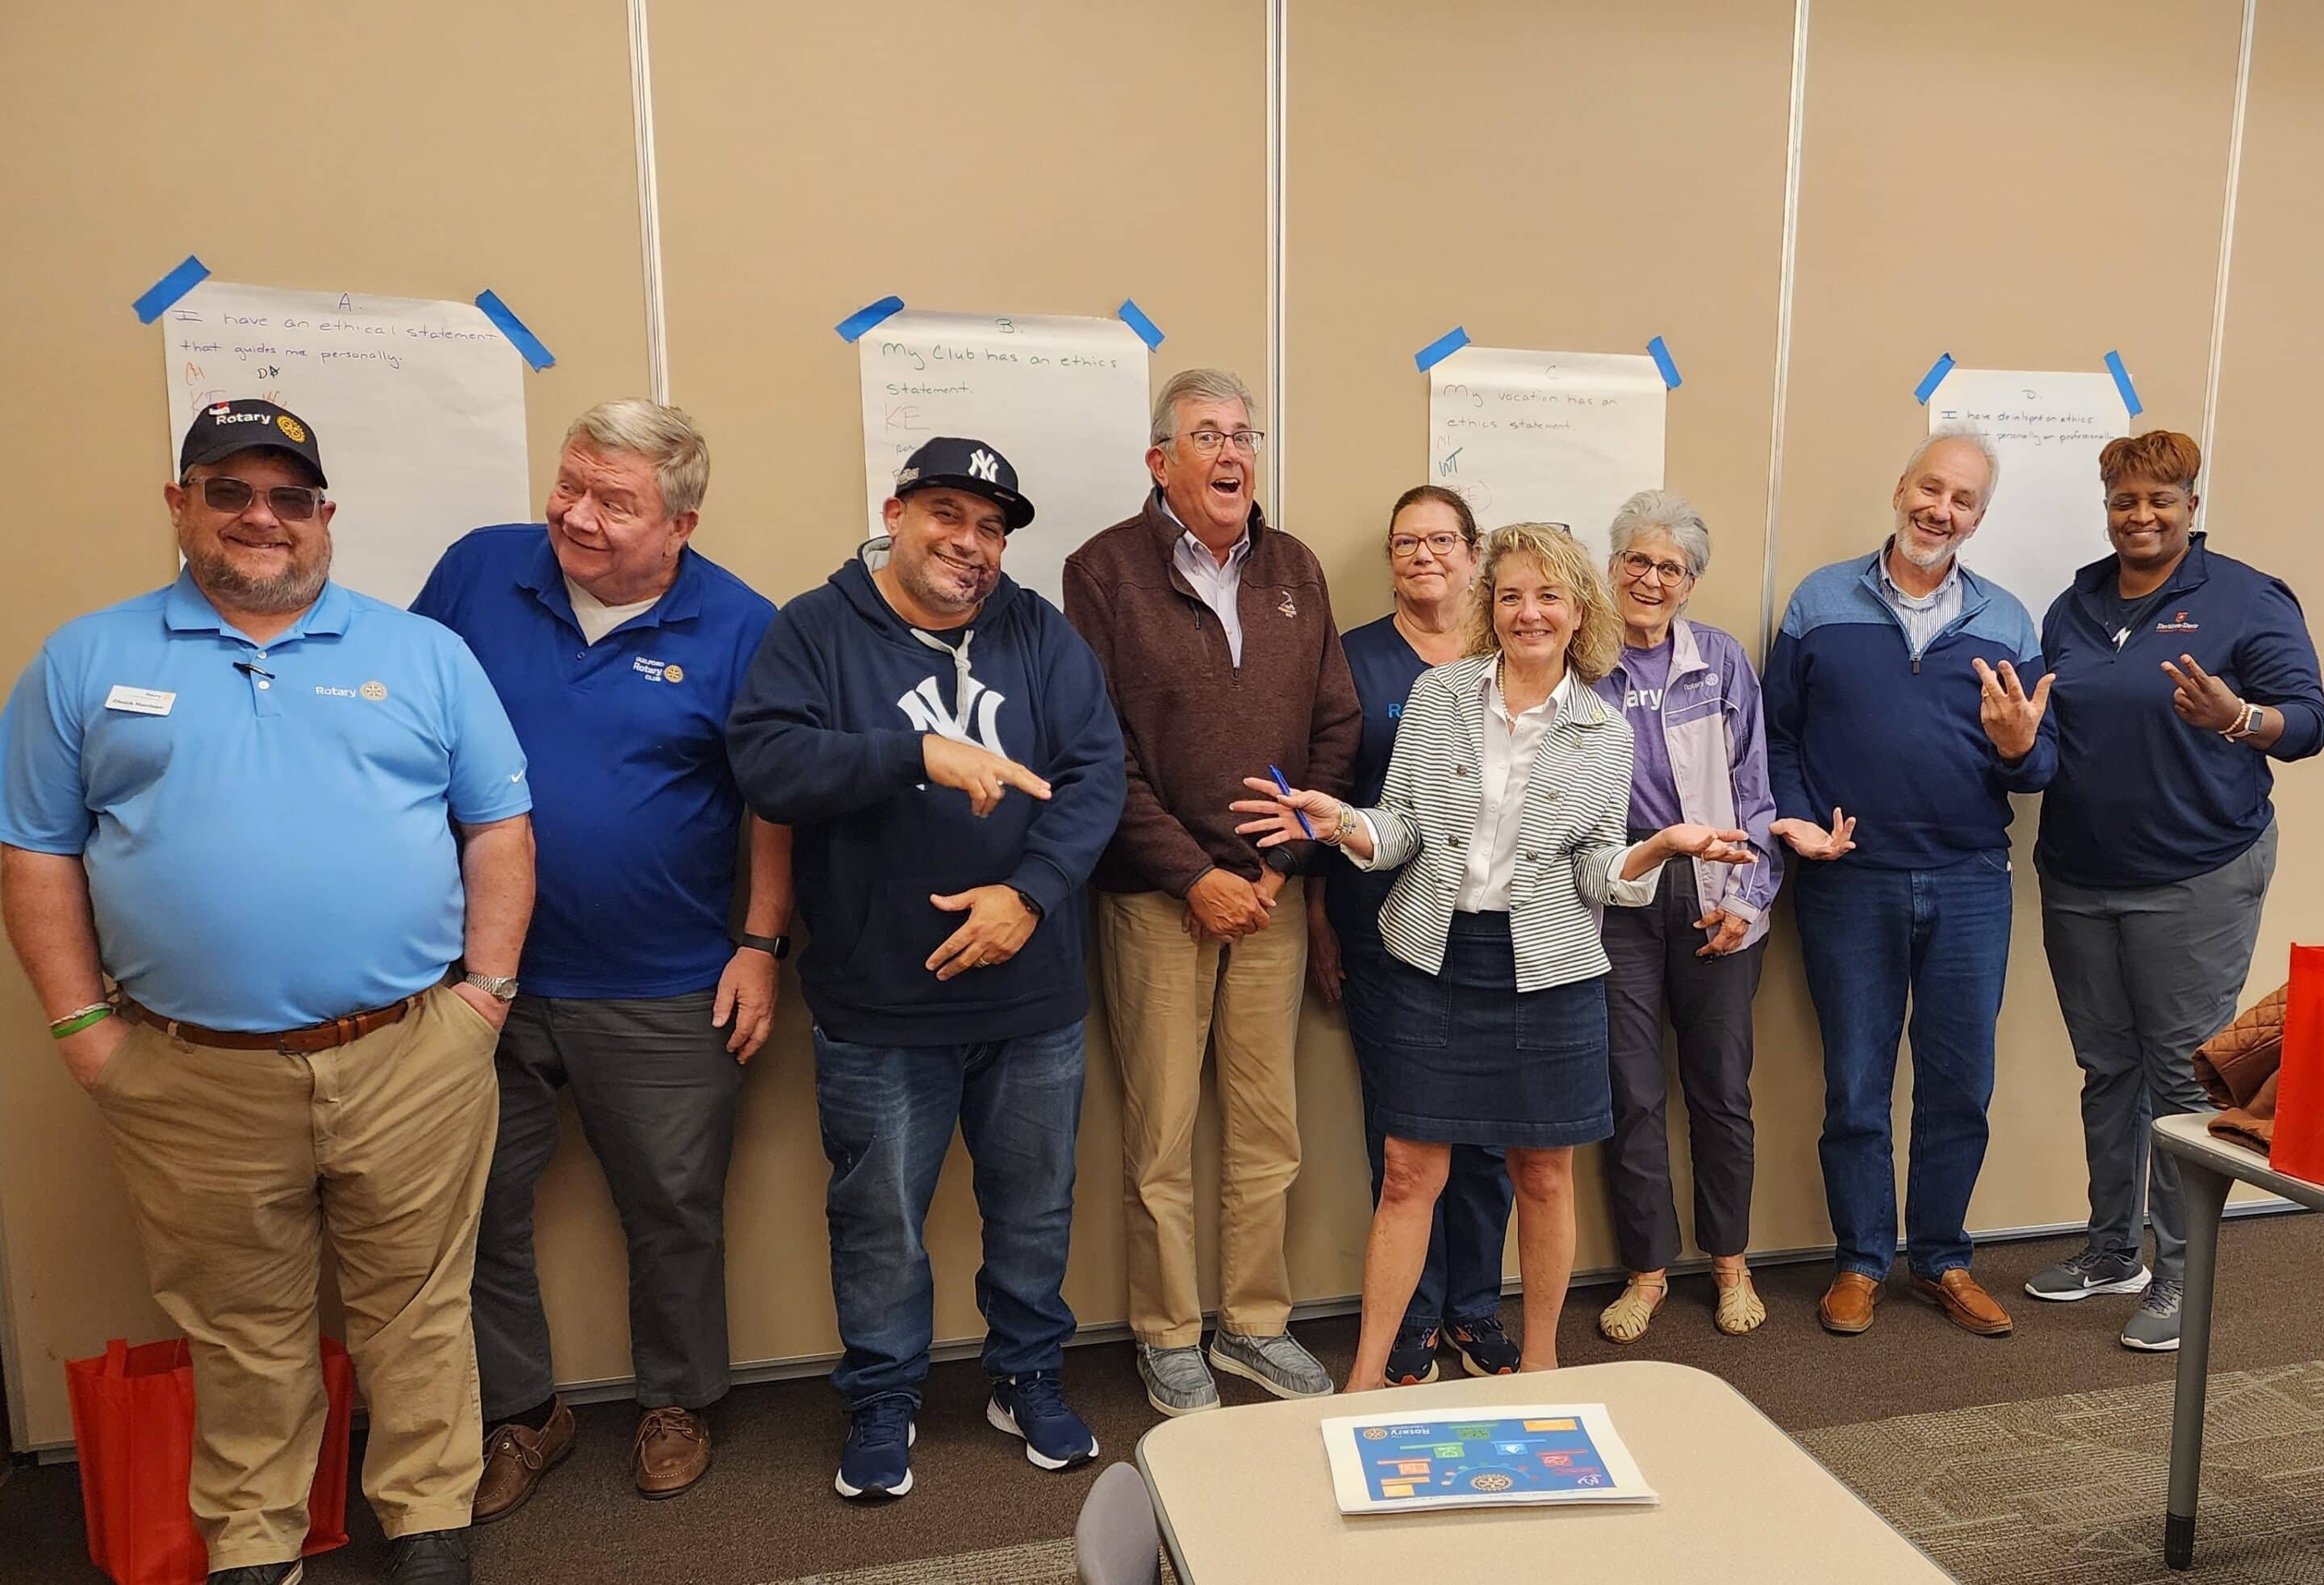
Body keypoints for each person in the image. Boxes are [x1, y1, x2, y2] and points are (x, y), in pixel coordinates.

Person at [0, 402, 533, 1585]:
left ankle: (427, 1518)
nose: (262, 518)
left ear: (325, 516)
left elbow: (499, 826)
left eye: (290, 497)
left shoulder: (423, 655)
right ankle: (254, 1537)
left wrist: (486, 996)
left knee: (420, 1305)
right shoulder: (85, 661)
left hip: (410, 1054)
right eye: (230, 491)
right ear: (180, 503)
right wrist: (83, 1027)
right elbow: (35, 849)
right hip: (191, 1071)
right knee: (240, 1322)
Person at [1235, 524, 1753, 1392]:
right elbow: (1402, 827)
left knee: (1543, 1175)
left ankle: (1542, 1367)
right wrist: (1342, 823)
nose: (1528, 612)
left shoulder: (1602, 726)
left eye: (1548, 595)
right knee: (1408, 1173)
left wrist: (1659, 846)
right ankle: (1365, 1379)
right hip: (1435, 960)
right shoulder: (1439, 694)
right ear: (1490, 606)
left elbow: (1595, 870)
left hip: (1547, 971)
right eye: (1510, 594)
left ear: (1578, 611)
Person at [727, 437, 1125, 1500]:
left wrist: (1027, 896)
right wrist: (911, 753)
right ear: (895, 512)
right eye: (948, 514)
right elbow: (767, 765)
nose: (971, 543)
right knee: (879, 1221)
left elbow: (1096, 777)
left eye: (991, 528)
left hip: (1031, 995)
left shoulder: (1038, 633)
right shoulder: (815, 630)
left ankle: (1027, 1376)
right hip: (879, 1001)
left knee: (1034, 1209)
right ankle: (883, 1396)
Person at [410, 401, 788, 1516]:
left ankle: (678, 1401)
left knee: (675, 1209)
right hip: (484, 976)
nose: (575, 515)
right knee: (475, 1205)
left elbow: (774, 804)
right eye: (570, 484)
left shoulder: (742, 625)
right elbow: (401, 728)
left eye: (613, 502)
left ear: (680, 525)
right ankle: (523, 1413)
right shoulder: (479, 572)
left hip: (665, 982)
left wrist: (761, 942)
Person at [1064, 368, 1361, 1416]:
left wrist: (1279, 863)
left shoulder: (1296, 568)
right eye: (1207, 436)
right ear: (1161, 461)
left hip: (1270, 895)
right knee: (1162, 1134)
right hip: (1156, 898)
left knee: (1267, 1126)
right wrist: (1193, 875)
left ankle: (1255, 1323)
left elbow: (1335, 725)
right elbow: (1098, 751)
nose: (1232, 453)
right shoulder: (1103, 570)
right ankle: (1168, 1334)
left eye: (1243, 435)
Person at [2025, 429, 2322, 1351]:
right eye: (2125, 500)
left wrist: (2240, 716)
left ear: (2193, 506)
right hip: (2080, 874)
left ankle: (2184, 1273)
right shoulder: (2075, 604)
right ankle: (2112, 1248)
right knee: (2106, 1067)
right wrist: (2015, 741)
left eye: (2161, 499)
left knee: (2178, 1074)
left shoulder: (2246, 596)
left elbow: (2308, 720)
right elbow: (2048, 732)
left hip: (2198, 872)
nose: (2141, 515)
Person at [1763, 424, 2054, 1340]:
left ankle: (1942, 1258)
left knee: (1959, 1083)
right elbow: (1777, 735)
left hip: (1970, 882)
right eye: (1931, 488)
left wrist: (2019, 746)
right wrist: (1799, 820)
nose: (1941, 509)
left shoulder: (2008, 619)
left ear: (1979, 518)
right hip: (1850, 881)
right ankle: (1860, 1262)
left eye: (1963, 500)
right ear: (1901, 489)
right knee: (1855, 1084)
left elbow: (2040, 763)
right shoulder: (1820, 600)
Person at [1307, 486, 1519, 1385]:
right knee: (1403, 1140)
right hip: (1384, 934)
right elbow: (1329, 793)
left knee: (1489, 1140)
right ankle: (1413, 1317)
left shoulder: (1513, 651)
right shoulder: (1352, 658)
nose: (1423, 555)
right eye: (1405, 542)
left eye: (1441, 539)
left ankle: (1475, 1306)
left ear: (1474, 552)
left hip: (1496, 938)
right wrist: (1318, 915)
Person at [1587, 491, 1782, 1343]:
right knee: (1630, 1092)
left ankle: (1731, 1263)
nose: (1652, 578)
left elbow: (1756, 791)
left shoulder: (1722, 662)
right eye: (1638, 559)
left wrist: (1748, 898)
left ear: (1691, 583)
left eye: (1672, 567)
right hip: (1617, 893)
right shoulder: (1581, 661)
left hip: (1716, 892)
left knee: (1721, 1091)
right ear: (1613, 566)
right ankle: (1648, 1272)